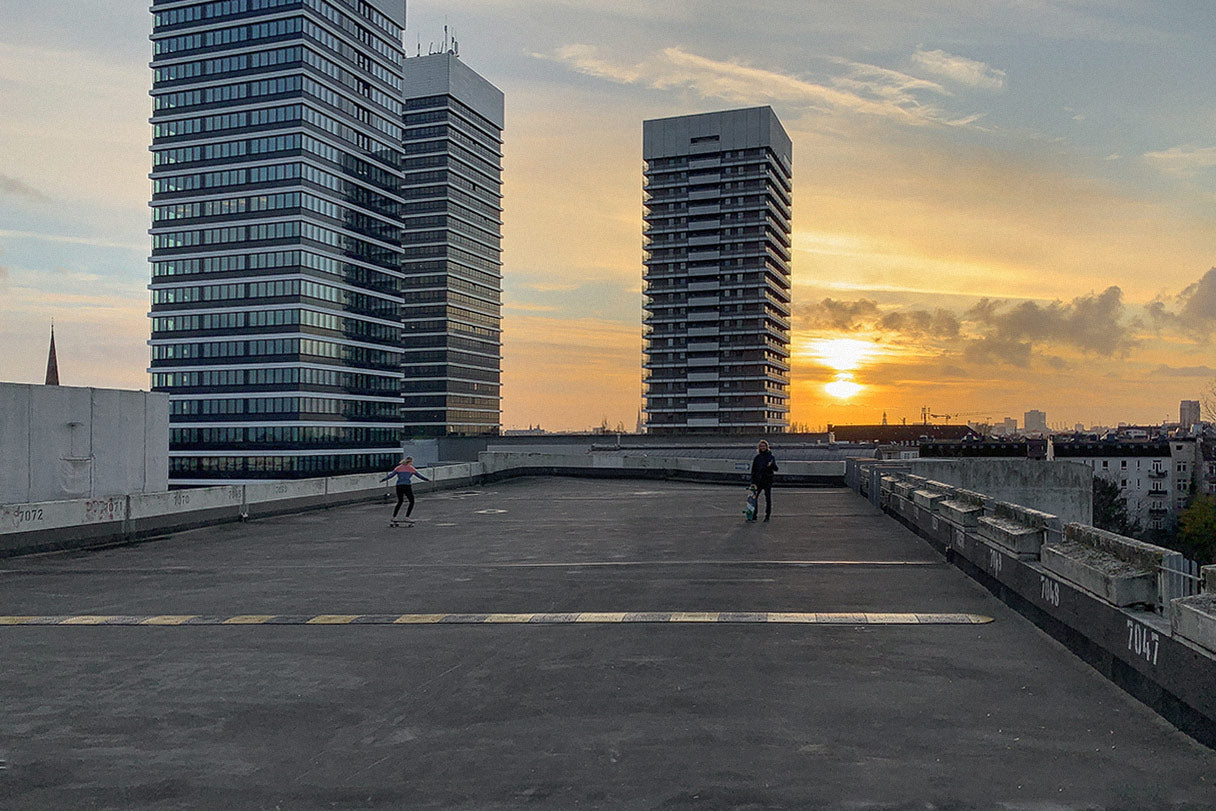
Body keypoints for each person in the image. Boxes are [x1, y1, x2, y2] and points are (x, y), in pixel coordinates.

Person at [380, 456, 430, 525]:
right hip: (407, 486)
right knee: (411, 501)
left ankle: (394, 517)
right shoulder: (411, 468)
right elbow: (419, 476)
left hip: (399, 486)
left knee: (400, 501)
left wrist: (383, 480)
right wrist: (427, 479)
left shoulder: (398, 467)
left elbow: (391, 475)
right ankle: (407, 517)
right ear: (410, 462)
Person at [749, 440, 778, 522]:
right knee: (754, 498)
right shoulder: (757, 458)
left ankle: (767, 516)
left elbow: (776, 468)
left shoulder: (771, 457)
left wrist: (771, 465)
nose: (762, 447)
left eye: (764, 446)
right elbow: (753, 470)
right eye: (761, 446)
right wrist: (752, 481)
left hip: (767, 480)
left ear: (766, 447)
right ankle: (754, 516)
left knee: (768, 499)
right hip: (758, 481)